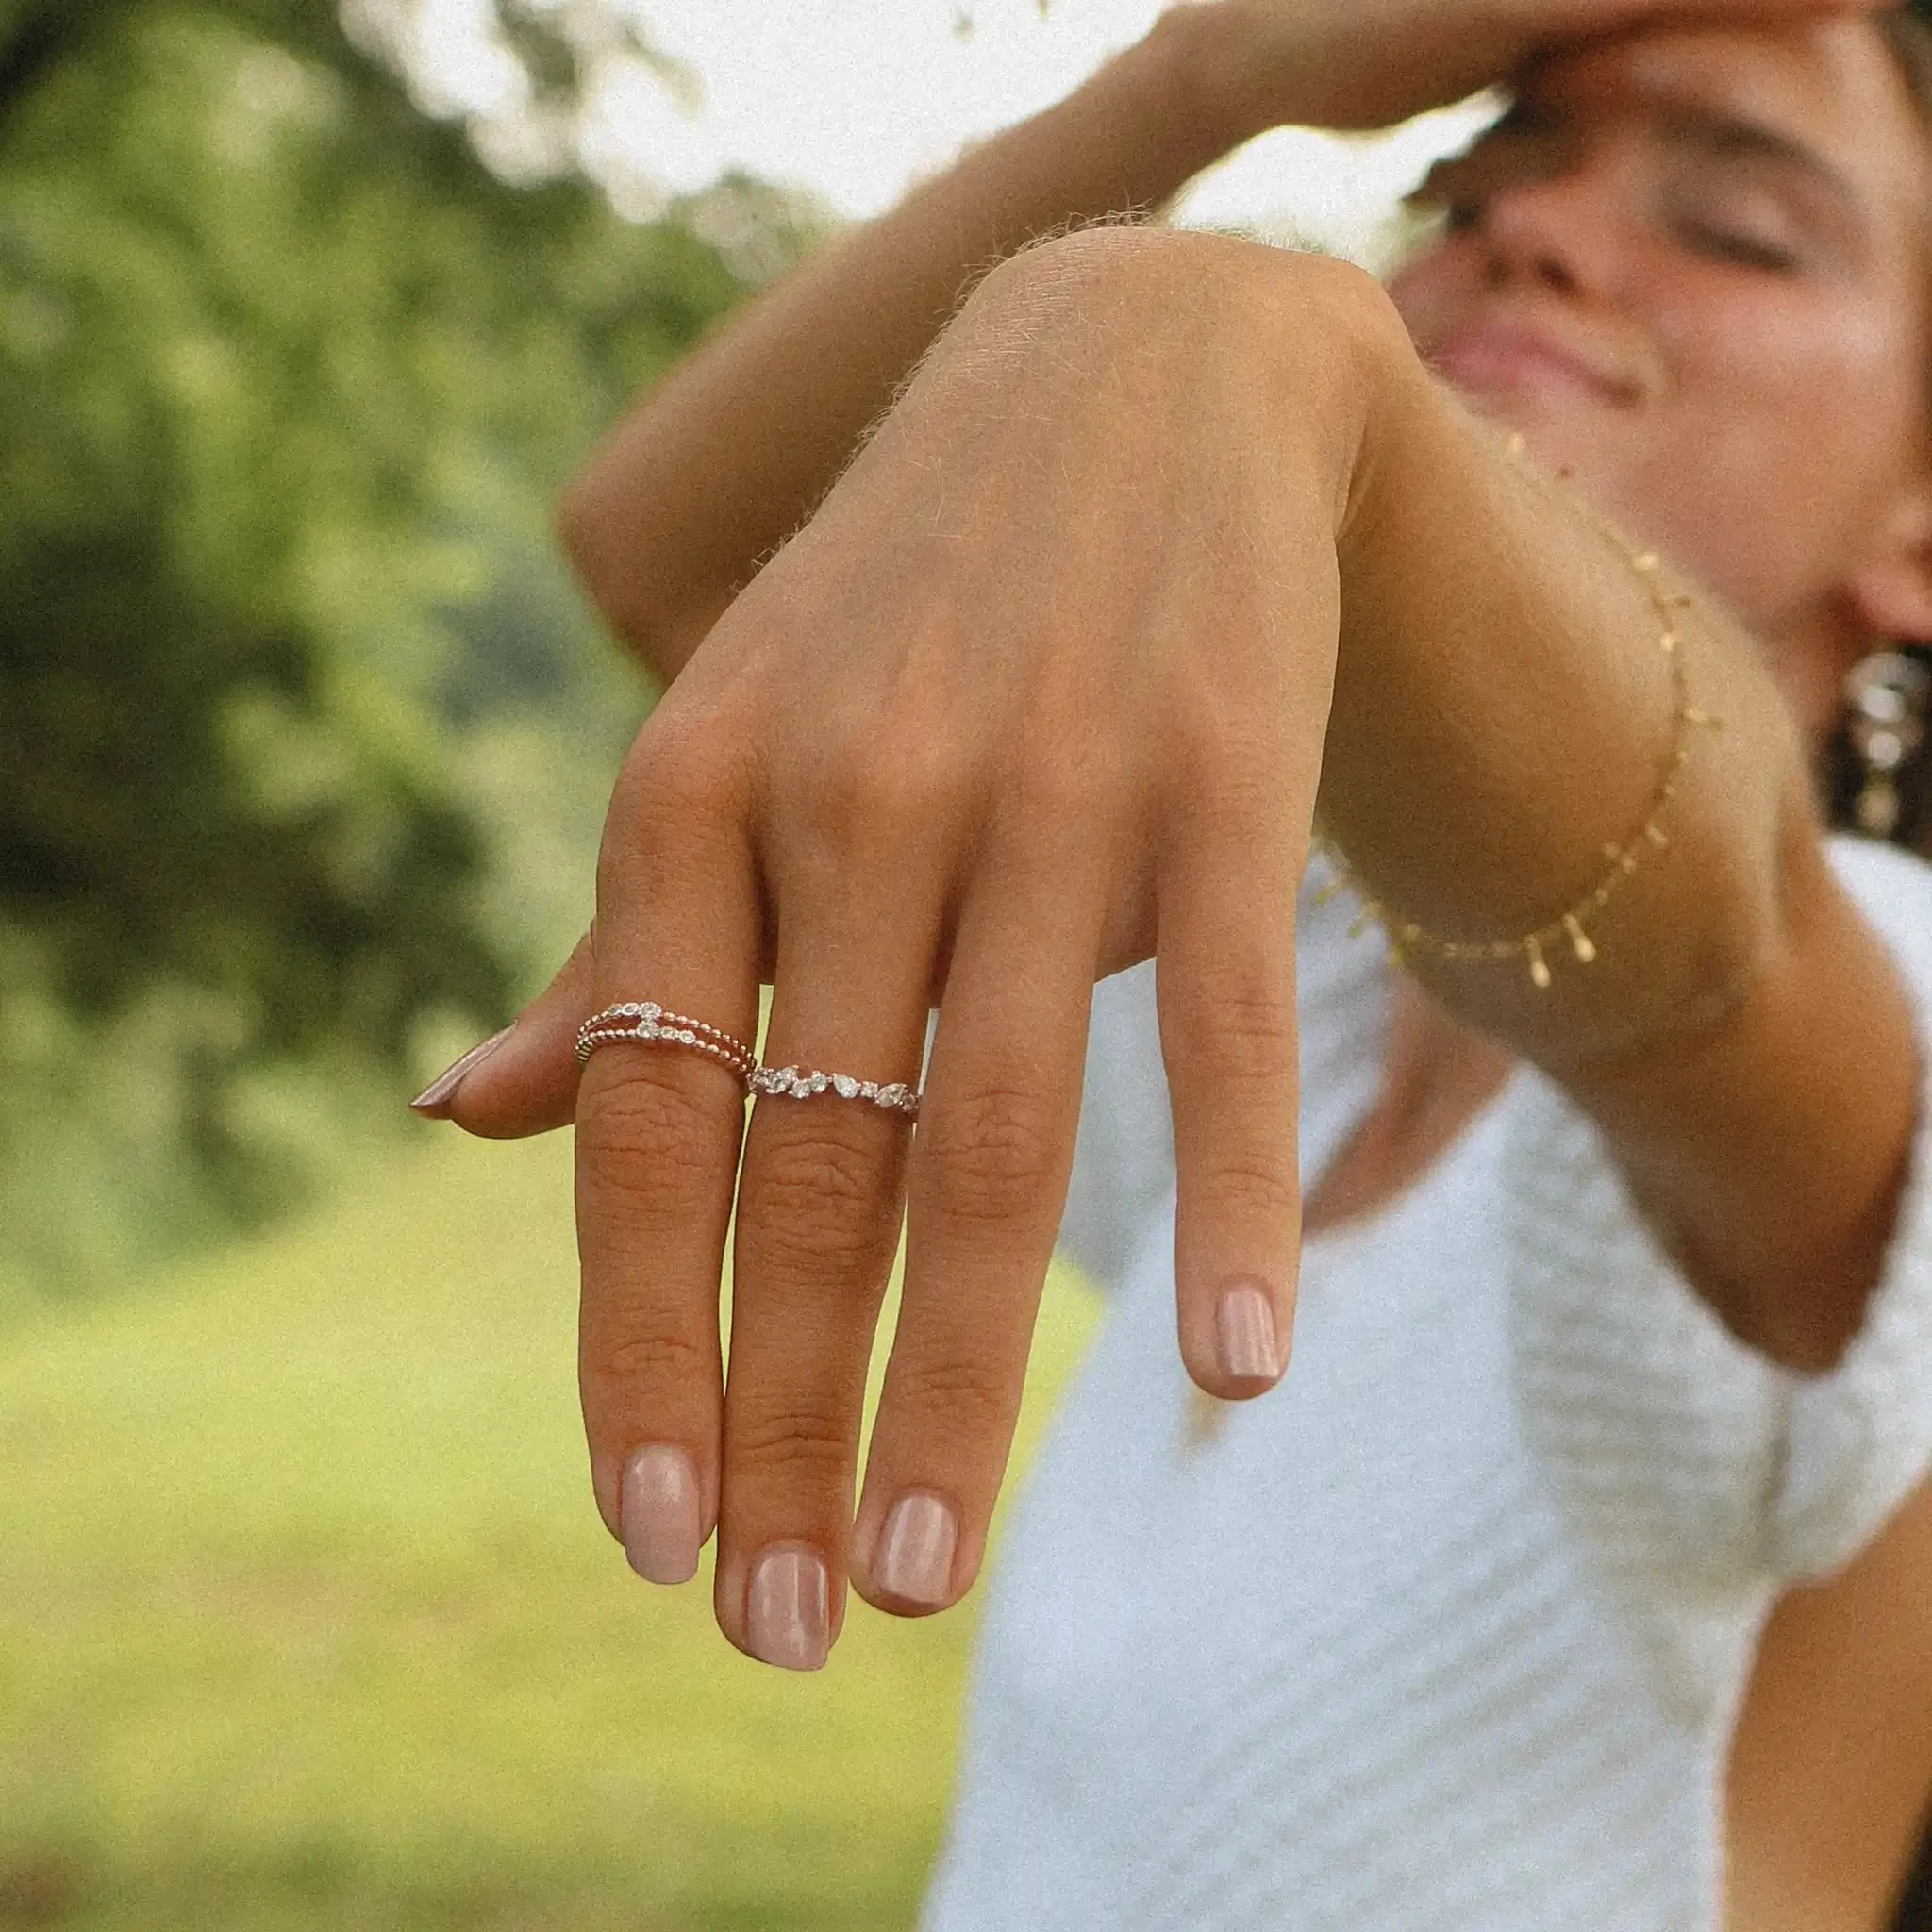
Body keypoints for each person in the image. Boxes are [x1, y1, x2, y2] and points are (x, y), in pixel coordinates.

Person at [410, 0, 1932, 1924]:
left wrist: (1278, 351)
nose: (1531, 233)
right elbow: (672, 557)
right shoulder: (1286, 1003)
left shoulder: (1886, 990)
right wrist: (1210, 78)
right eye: (1475, 180)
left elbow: (1721, 925)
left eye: (1737, 227)